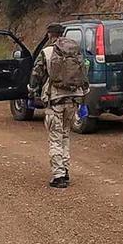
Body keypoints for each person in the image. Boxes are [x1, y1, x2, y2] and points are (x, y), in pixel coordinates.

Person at [29, 23, 89, 188]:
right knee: (65, 135)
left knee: (55, 138)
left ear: (49, 35)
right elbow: (84, 75)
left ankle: (59, 176)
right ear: (63, 33)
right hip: (73, 100)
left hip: (55, 101)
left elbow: (36, 74)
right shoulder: (74, 51)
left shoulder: (47, 52)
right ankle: (65, 169)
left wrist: (32, 92)